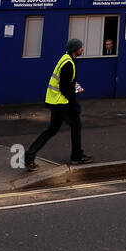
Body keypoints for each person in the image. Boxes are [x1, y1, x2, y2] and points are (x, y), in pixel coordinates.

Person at [25, 38, 92, 170]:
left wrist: (76, 87)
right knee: (76, 125)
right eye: (80, 47)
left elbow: (67, 83)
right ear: (75, 50)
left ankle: (29, 156)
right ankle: (76, 156)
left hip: (56, 101)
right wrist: (74, 105)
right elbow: (65, 88)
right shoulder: (68, 63)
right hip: (62, 102)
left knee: (52, 130)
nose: (82, 49)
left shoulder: (66, 59)